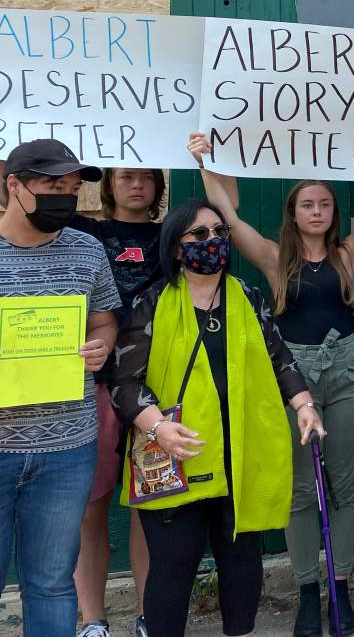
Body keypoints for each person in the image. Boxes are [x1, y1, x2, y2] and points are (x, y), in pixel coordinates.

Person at [189, 122, 354, 637]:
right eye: (307, 204)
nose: (317, 211)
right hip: (295, 380)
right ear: (293, 212)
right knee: (298, 492)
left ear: (333, 214)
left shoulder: (348, 253)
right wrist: (205, 162)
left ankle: (341, 587)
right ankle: (308, 591)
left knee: (343, 486)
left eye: (325, 204)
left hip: (348, 372)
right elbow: (228, 216)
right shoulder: (275, 258)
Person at [110, 198, 324, 637]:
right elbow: (124, 382)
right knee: (171, 572)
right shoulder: (152, 303)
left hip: (240, 455)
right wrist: (157, 427)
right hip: (175, 455)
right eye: (199, 235)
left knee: (242, 565)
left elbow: (279, 358)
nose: (213, 242)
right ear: (176, 248)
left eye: (219, 233)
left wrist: (304, 406)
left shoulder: (247, 297)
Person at [0, 139, 120, 637]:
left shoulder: (86, 250)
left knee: (52, 583)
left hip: (68, 446)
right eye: (52, 186)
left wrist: (101, 346)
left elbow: (105, 322)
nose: (64, 199)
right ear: (14, 185)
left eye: (71, 189)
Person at [69, 168, 166, 637]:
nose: (137, 185)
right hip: (98, 387)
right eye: (126, 176)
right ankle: (93, 620)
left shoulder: (174, 235)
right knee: (93, 505)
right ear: (107, 186)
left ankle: (149, 616)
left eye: (147, 177)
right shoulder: (88, 232)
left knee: (149, 502)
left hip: (154, 385)